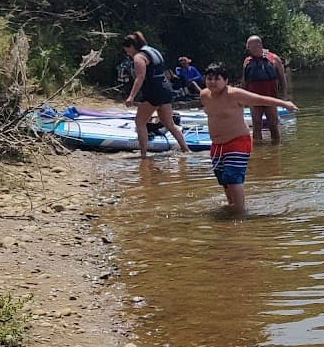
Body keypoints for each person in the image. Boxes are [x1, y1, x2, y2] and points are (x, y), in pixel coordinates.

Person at [199, 63, 297, 213]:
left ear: (225, 81)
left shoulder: (234, 94)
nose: (212, 82)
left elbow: (260, 99)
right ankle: (232, 205)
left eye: (216, 79)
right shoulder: (204, 95)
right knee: (224, 179)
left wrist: (284, 103)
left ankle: (240, 213)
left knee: (233, 177)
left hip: (238, 141)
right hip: (217, 145)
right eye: (209, 78)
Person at [121, 32, 192, 158]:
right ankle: (186, 150)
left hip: (153, 92)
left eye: (127, 50)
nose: (128, 53)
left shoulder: (138, 57)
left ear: (131, 46)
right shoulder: (153, 50)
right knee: (169, 123)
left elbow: (140, 77)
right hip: (165, 89)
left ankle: (143, 155)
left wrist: (131, 96)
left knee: (140, 121)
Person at [241, 34, 290, 144]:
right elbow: (244, 80)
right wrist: (241, 98)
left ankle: (276, 148)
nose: (249, 49)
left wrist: (284, 95)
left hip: (270, 97)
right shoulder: (247, 61)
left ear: (259, 45)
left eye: (251, 46)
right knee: (257, 124)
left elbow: (282, 78)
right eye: (248, 47)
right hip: (253, 99)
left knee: (273, 124)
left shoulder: (274, 59)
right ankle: (258, 149)